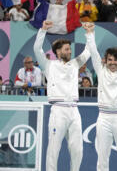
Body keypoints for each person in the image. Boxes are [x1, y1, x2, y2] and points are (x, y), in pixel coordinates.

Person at [34, 20, 91, 171]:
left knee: (77, 149)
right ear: (58, 52)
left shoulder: (74, 64)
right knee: (54, 149)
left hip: (74, 110)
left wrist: (89, 33)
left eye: (70, 49)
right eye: (66, 49)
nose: (70, 51)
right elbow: (37, 49)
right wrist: (43, 30)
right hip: (58, 110)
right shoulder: (49, 65)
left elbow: (88, 52)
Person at [84, 21, 117, 171]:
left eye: (115, 60)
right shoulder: (101, 72)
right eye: (110, 60)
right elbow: (94, 52)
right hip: (104, 118)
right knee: (102, 155)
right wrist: (90, 34)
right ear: (105, 61)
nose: (112, 62)